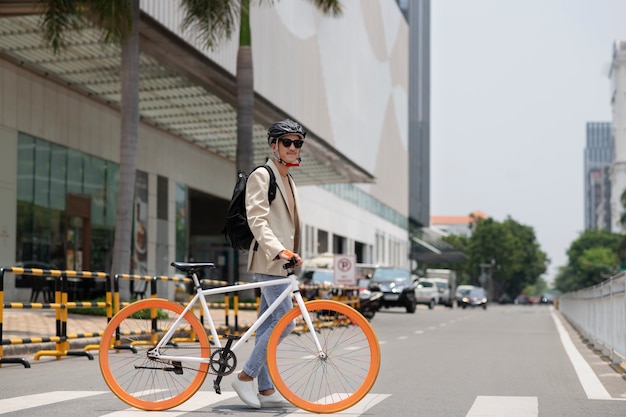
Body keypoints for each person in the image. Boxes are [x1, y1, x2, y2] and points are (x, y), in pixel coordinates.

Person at [231, 119, 306, 408]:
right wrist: (280, 251)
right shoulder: (263, 175)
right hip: (269, 260)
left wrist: (293, 253)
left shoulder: (288, 178)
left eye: (297, 143)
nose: (292, 147)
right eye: (286, 142)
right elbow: (258, 220)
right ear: (273, 145)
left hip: (282, 263)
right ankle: (246, 377)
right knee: (284, 323)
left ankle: (264, 387)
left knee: (267, 326)